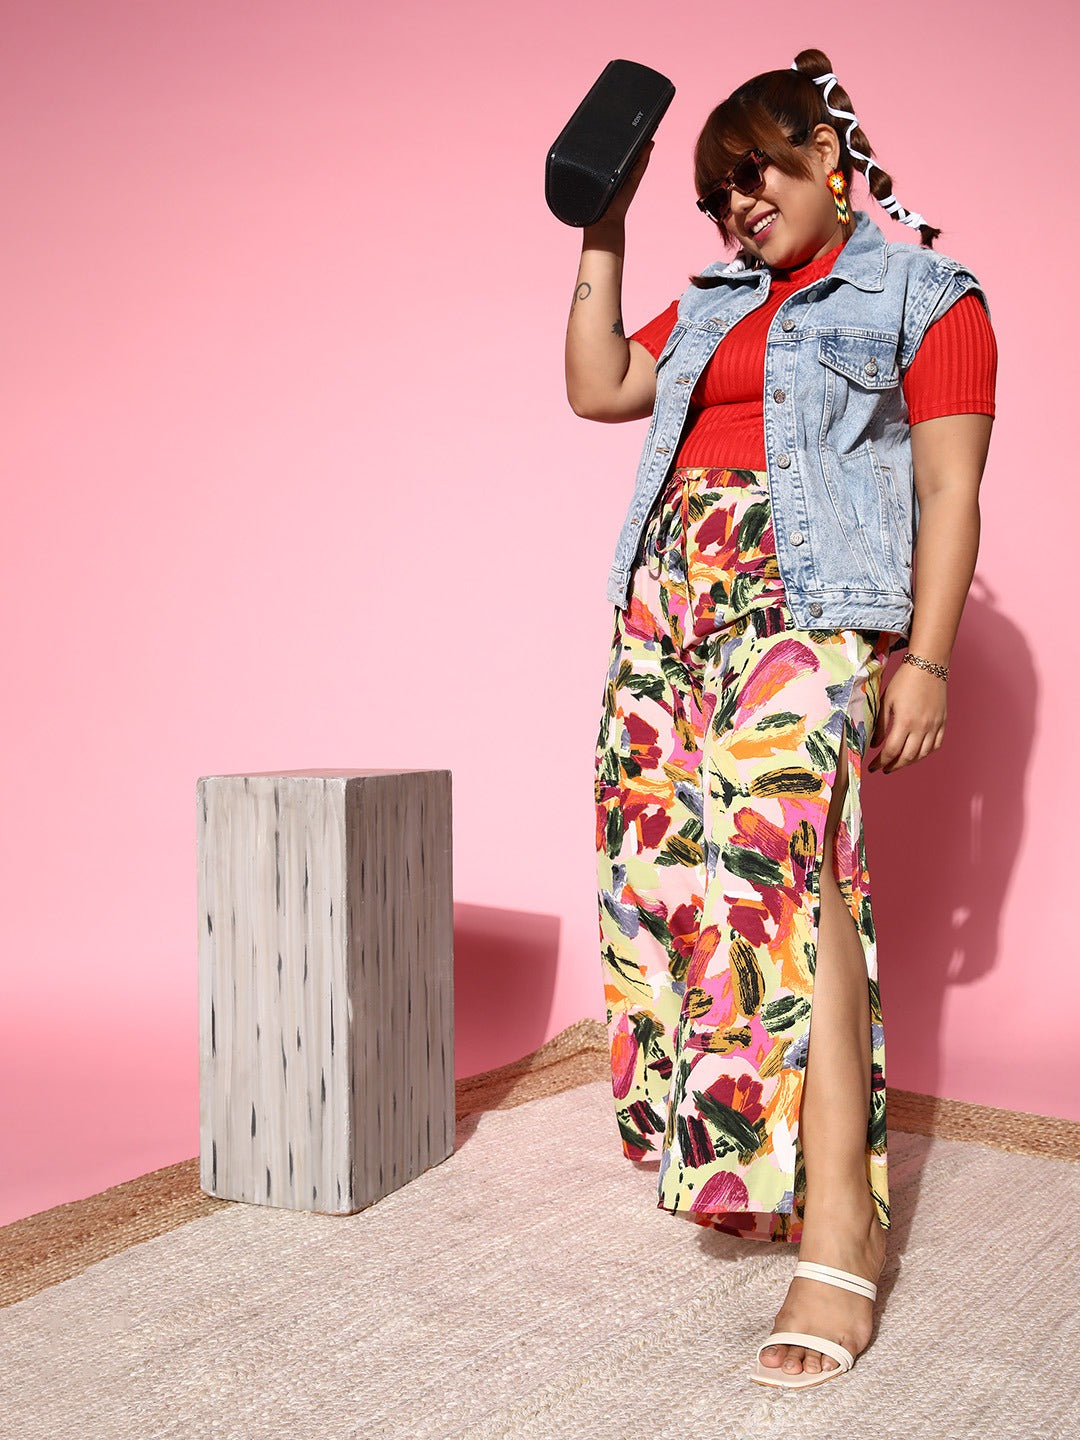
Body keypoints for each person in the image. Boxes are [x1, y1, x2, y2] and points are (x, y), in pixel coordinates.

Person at [564, 48, 996, 1389]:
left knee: (791, 892)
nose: (736, 204)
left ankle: (842, 1231)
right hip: (670, 604)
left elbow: (951, 489)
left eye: (754, 171)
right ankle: (748, 1161)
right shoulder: (710, 302)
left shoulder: (928, 294)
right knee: (667, 883)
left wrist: (926, 660)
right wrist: (605, 223)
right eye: (713, 193)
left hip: (804, 605)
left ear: (828, 154)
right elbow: (598, 386)